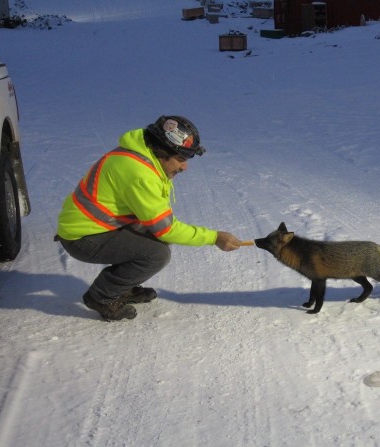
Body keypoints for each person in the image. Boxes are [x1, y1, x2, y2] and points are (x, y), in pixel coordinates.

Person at [56, 115, 242, 321]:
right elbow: (167, 228)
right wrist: (214, 237)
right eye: (180, 159)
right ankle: (101, 296)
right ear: (162, 153)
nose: (184, 167)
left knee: (155, 240)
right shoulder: (140, 174)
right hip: (83, 237)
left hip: (98, 226)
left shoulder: (141, 155)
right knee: (157, 254)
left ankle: (122, 286)